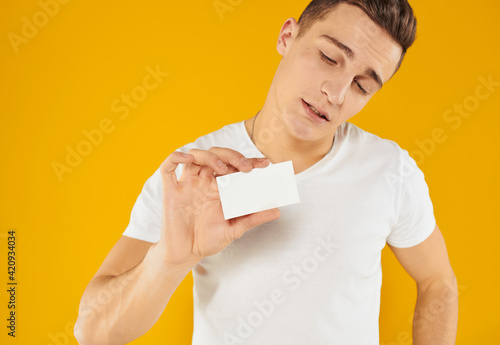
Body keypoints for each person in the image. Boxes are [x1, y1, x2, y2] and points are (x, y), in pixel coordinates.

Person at [74, 1, 458, 344]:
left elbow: (438, 282)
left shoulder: (390, 170)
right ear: (287, 36)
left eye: (362, 85)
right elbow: (93, 332)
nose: (337, 92)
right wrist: (172, 258)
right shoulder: (194, 176)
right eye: (329, 57)